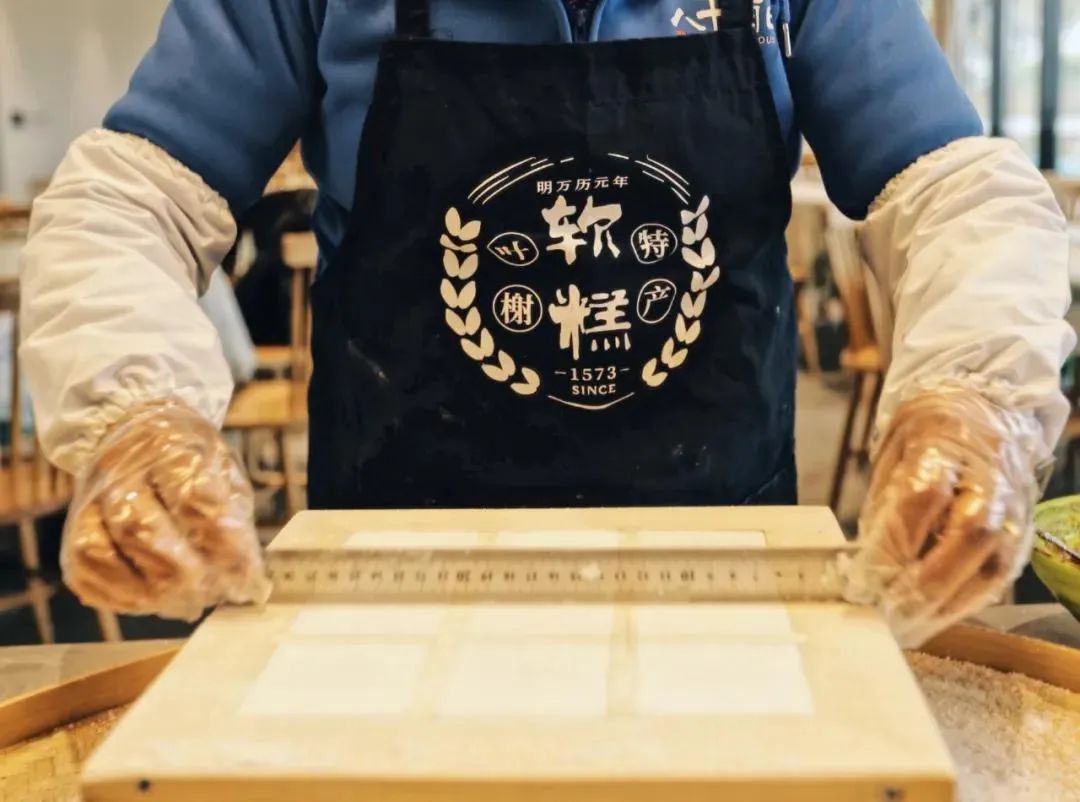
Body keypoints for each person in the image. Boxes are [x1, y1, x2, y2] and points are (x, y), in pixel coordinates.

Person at [19, 0, 1074, 645]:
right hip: (388, 571)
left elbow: (951, 190)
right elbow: (132, 198)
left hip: (729, 566)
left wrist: (972, 395)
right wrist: (135, 411)